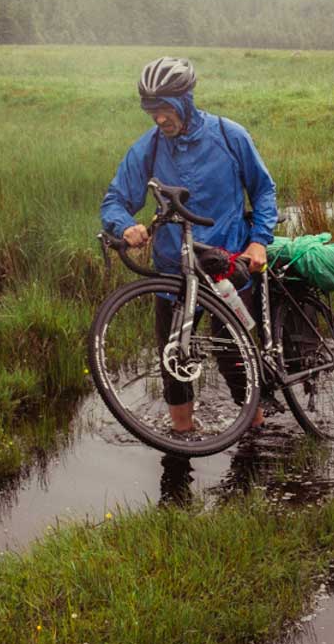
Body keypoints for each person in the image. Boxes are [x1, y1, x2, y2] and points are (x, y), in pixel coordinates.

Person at [101, 57, 278, 434]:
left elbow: (263, 191)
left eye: (165, 109)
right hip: (173, 272)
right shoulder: (147, 148)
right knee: (172, 358)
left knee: (234, 357)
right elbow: (115, 198)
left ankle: (256, 432)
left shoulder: (230, 136)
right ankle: (181, 438)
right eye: (152, 111)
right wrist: (126, 225)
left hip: (228, 265)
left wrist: (259, 241)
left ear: (185, 100)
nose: (159, 119)